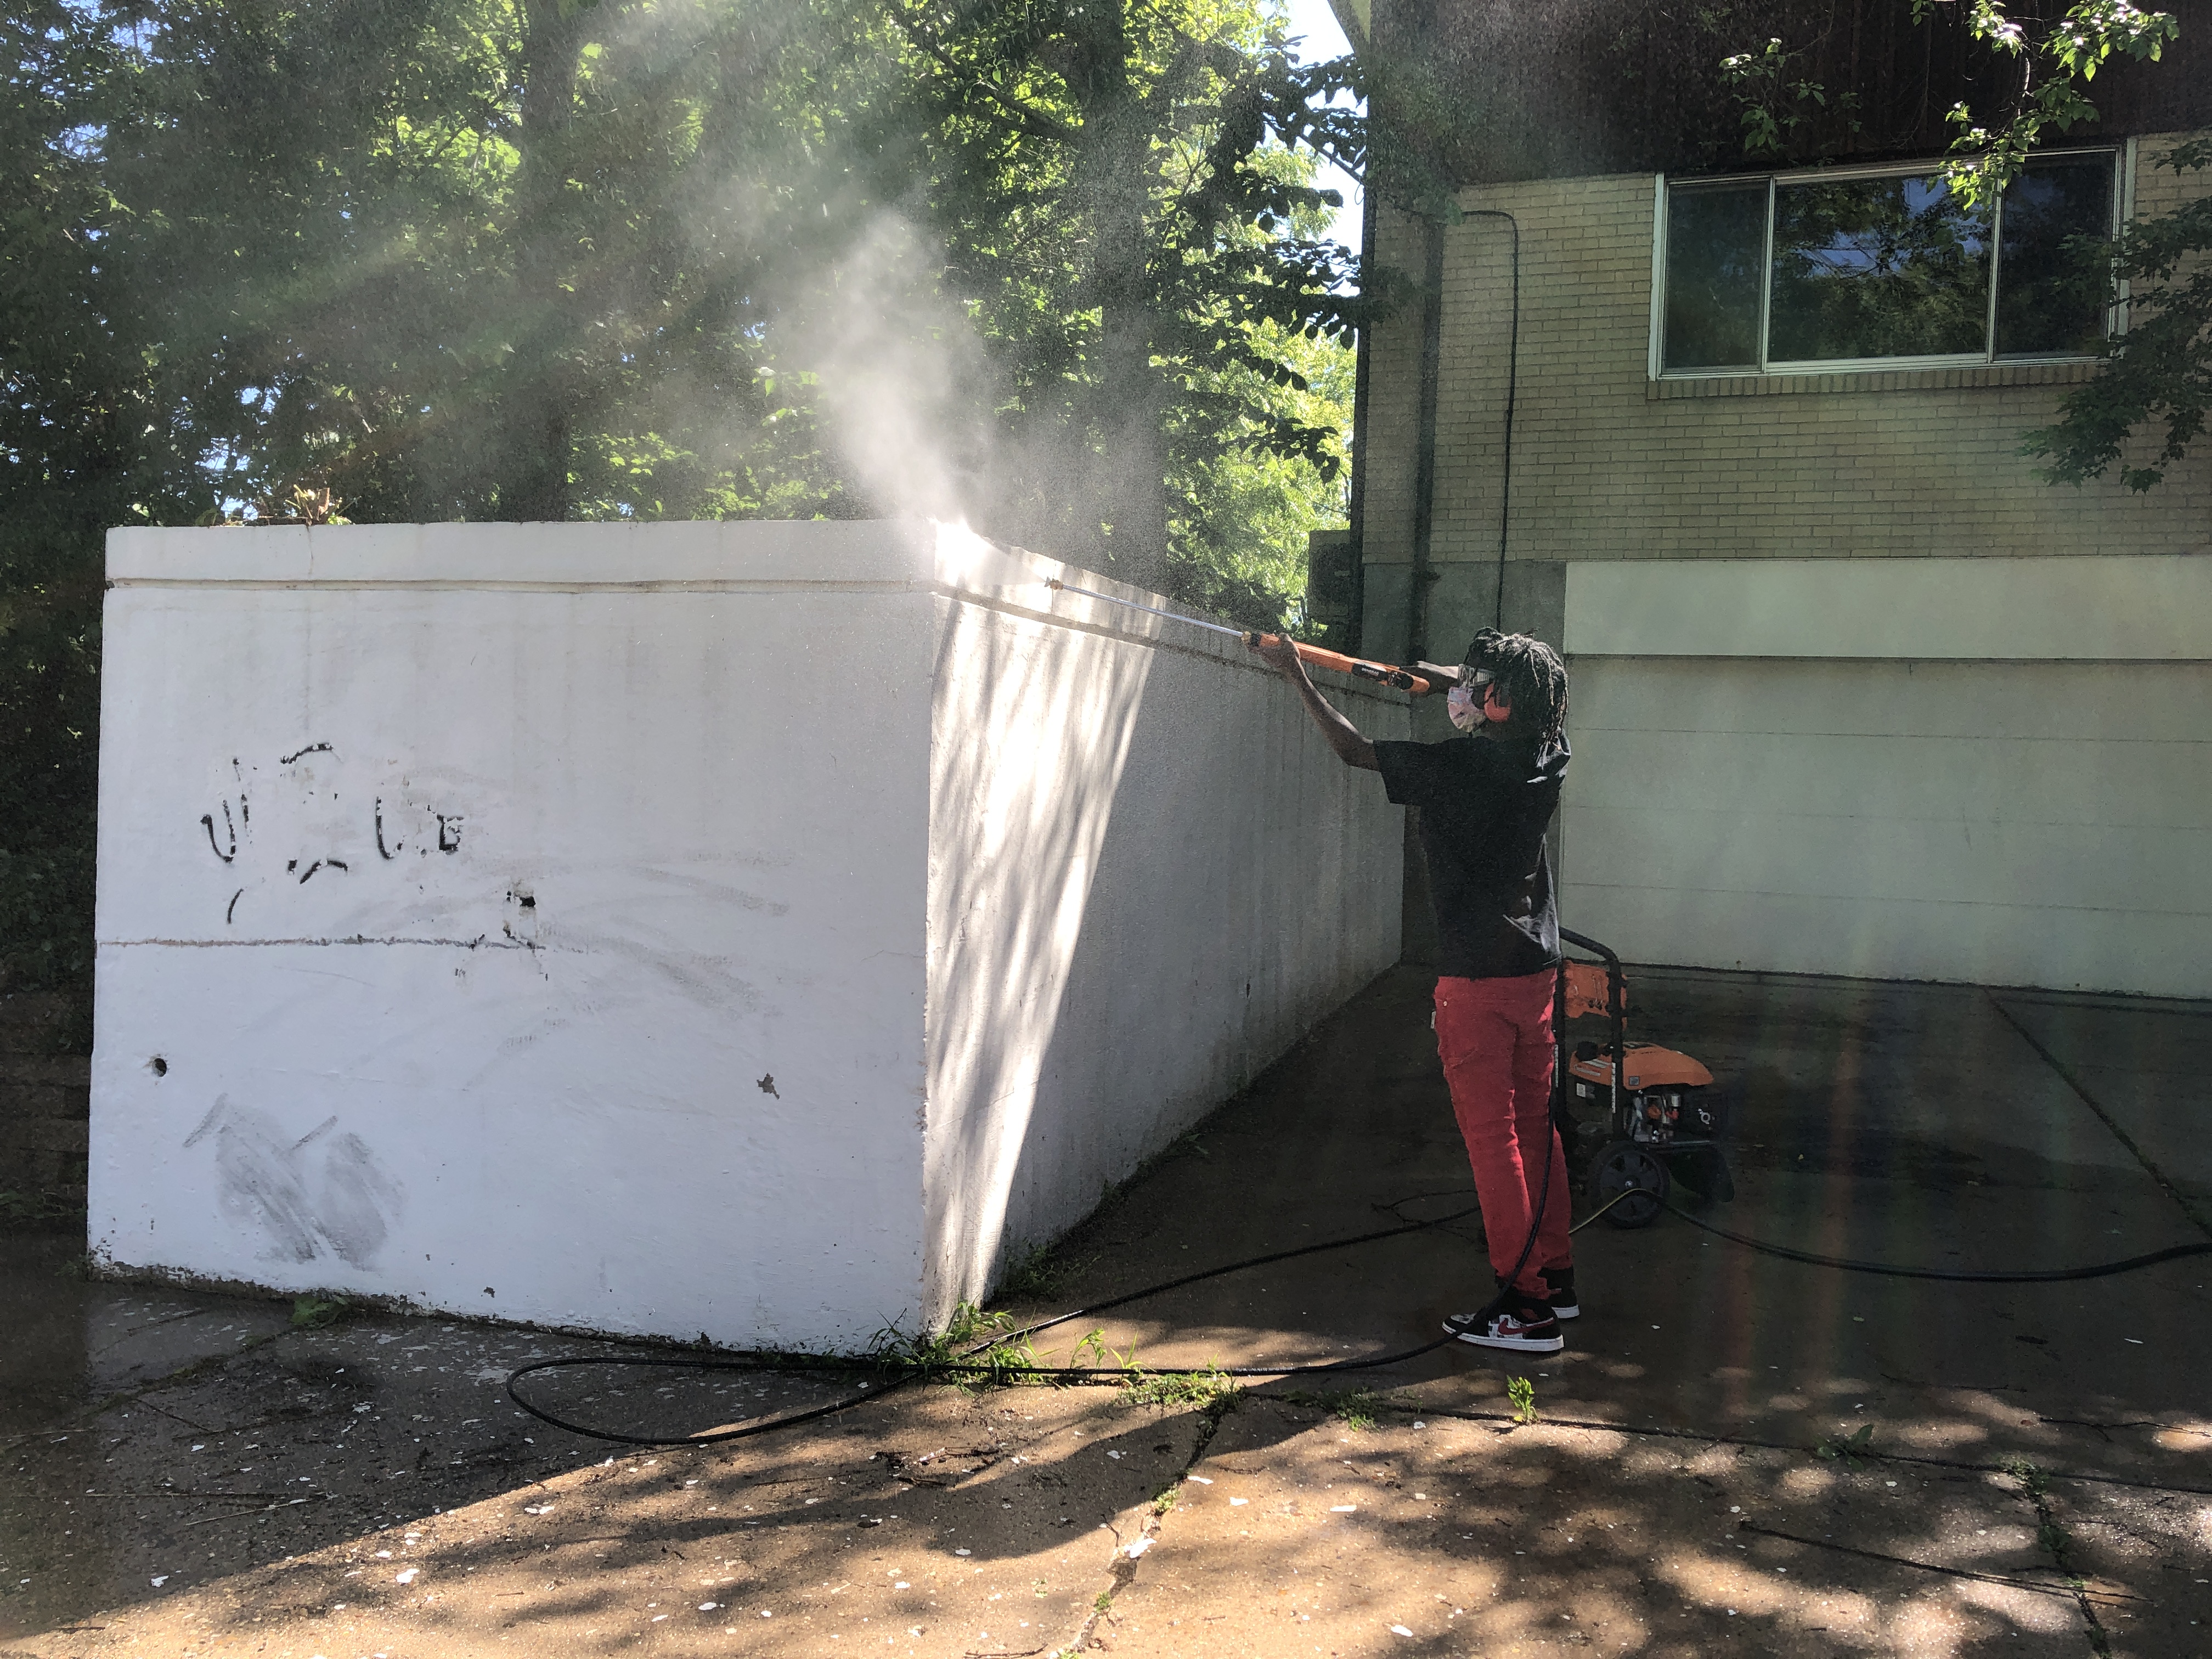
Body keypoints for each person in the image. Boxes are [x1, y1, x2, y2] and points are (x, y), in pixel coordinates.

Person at [1249, 627, 1573, 1354]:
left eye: (1476, 685)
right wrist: (1429, 677)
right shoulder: (1548, 748)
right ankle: (1556, 1277)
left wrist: (1296, 672)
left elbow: (1352, 749)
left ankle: (1526, 1309)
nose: (1461, 690)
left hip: (1479, 982)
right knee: (1535, 1129)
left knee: (1496, 1144)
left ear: (1496, 703)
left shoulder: (1459, 769)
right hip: (1535, 973)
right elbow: (1481, 694)